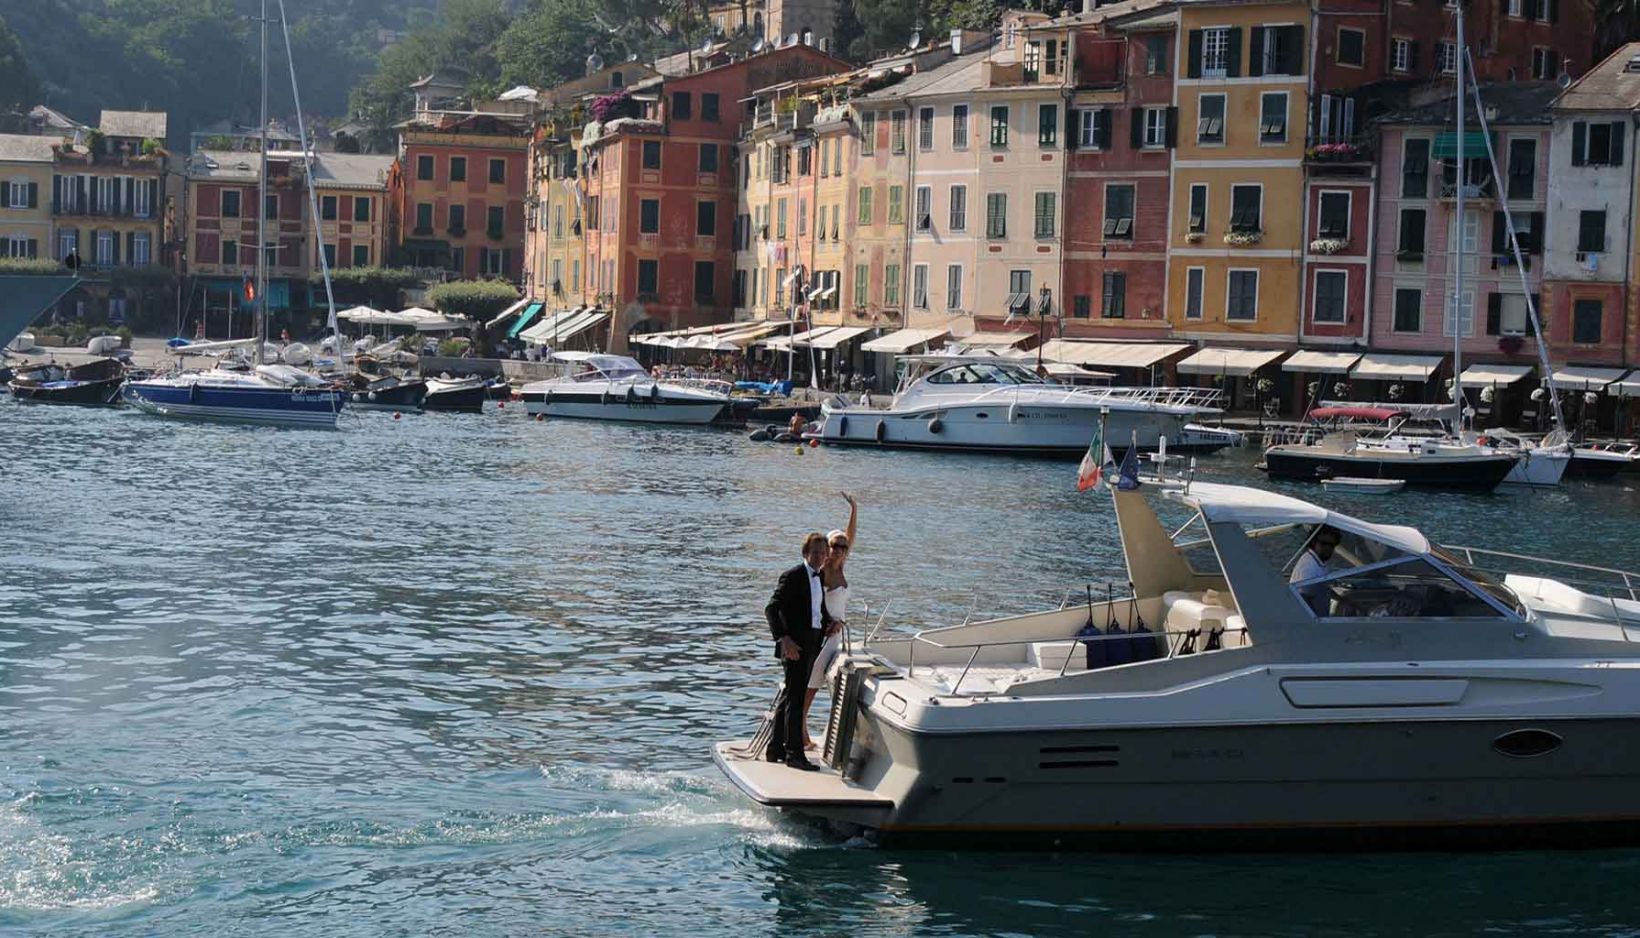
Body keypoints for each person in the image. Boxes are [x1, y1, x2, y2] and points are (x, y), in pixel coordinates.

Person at [763, 533, 836, 771]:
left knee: (791, 696)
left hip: (812, 644)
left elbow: (818, 610)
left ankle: (775, 748)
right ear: (805, 553)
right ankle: (795, 754)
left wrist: (829, 623)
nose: (819, 557)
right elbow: (772, 608)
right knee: (796, 699)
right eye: (815, 552)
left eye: (823, 553)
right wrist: (784, 640)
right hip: (794, 646)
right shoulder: (793, 576)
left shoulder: (819, 577)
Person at [802, 493, 858, 749]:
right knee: (812, 684)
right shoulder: (822, 571)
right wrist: (824, 624)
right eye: (835, 546)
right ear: (828, 548)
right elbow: (813, 600)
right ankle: (801, 730)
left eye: (844, 547)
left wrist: (854, 509)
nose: (840, 550)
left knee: (835, 682)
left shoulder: (842, 566)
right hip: (825, 634)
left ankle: (831, 732)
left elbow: (850, 535)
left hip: (839, 636)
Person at [1291, 525, 1342, 615]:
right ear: (1314, 542)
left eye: (1332, 545)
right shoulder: (1309, 566)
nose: (1328, 548)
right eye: (1324, 544)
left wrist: (1343, 600)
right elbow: (1304, 598)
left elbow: (1322, 588)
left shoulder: (1318, 561)